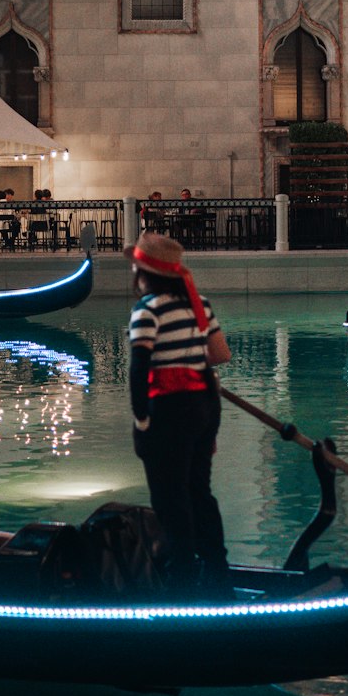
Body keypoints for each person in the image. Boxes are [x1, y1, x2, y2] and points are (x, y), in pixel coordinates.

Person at [126, 231, 233, 597]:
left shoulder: (147, 310)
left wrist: (141, 422)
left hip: (169, 412)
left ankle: (183, 582)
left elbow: (138, 371)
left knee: (170, 499)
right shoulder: (199, 304)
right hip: (204, 408)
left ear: (144, 273)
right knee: (199, 493)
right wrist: (187, 356)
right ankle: (218, 575)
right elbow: (220, 355)